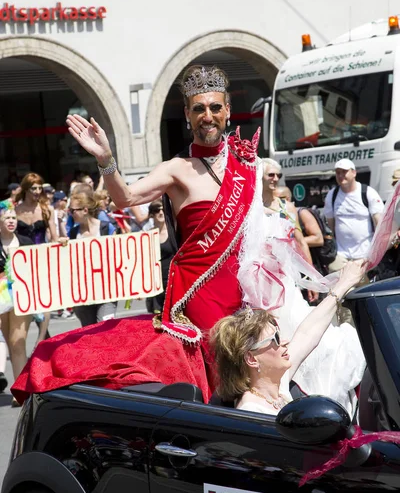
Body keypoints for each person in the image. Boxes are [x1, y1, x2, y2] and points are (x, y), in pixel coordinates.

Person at [12, 65, 260, 403]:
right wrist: (106, 159)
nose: (208, 115)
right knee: (219, 377)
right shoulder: (175, 169)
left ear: (227, 110)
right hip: (200, 293)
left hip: (249, 290)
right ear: (187, 114)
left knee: (258, 371)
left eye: (215, 107)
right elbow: (125, 198)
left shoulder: (247, 166)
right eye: (199, 108)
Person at [212, 260, 366, 415]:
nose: (284, 342)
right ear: (251, 359)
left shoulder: (275, 388)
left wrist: (345, 282)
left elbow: (308, 332)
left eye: (279, 335)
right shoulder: (251, 410)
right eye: (275, 340)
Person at [324, 159, 384, 321]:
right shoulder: (333, 195)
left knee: (366, 298)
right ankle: (348, 332)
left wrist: (375, 254)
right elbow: (331, 224)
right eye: (338, 172)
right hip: (342, 257)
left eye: (344, 171)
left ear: (354, 173)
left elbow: (379, 223)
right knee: (342, 298)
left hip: (364, 257)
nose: (341, 175)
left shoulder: (368, 192)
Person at [262, 159, 318, 303]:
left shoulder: (287, 207)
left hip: (286, 273)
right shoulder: (252, 207)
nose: (275, 179)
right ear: (260, 176)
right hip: (261, 275)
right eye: (271, 175)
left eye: (278, 176)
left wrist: (311, 277)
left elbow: (300, 242)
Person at [15, 173, 59, 345]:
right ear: (26, 189)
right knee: (29, 303)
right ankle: (43, 339)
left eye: (40, 188)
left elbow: (54, 236)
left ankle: (41, 341)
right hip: (21, 261)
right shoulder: (16, 211)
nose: (38, 191)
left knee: (43, 300)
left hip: (41, 259)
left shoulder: (47, 209)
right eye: (34, 188)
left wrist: (60, 242)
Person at [0, 201, 33, 405]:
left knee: (18, 341)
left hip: (23, 296)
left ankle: (20, 391)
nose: (11, 221)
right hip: (1, 299)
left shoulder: (26, 241)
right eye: (6, 218)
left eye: (13, 218)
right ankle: (19, 385)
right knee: (9, 343)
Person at [68, 192, 117, 327]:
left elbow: (119, 254)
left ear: (85, 210)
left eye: (73, 210)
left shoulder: (106, 228)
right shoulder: (73, 233)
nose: (70, 214)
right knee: (89, 331)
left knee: (106, 326)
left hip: (107, 289)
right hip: (83, 292)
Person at [146, 200, 174, 314]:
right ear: (151, 215)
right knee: (157, 320)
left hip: (172, 282)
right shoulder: (147, 235)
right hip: (156, 284)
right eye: (157, 210)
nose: (161, 213)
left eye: (163, 209)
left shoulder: (174, 231)